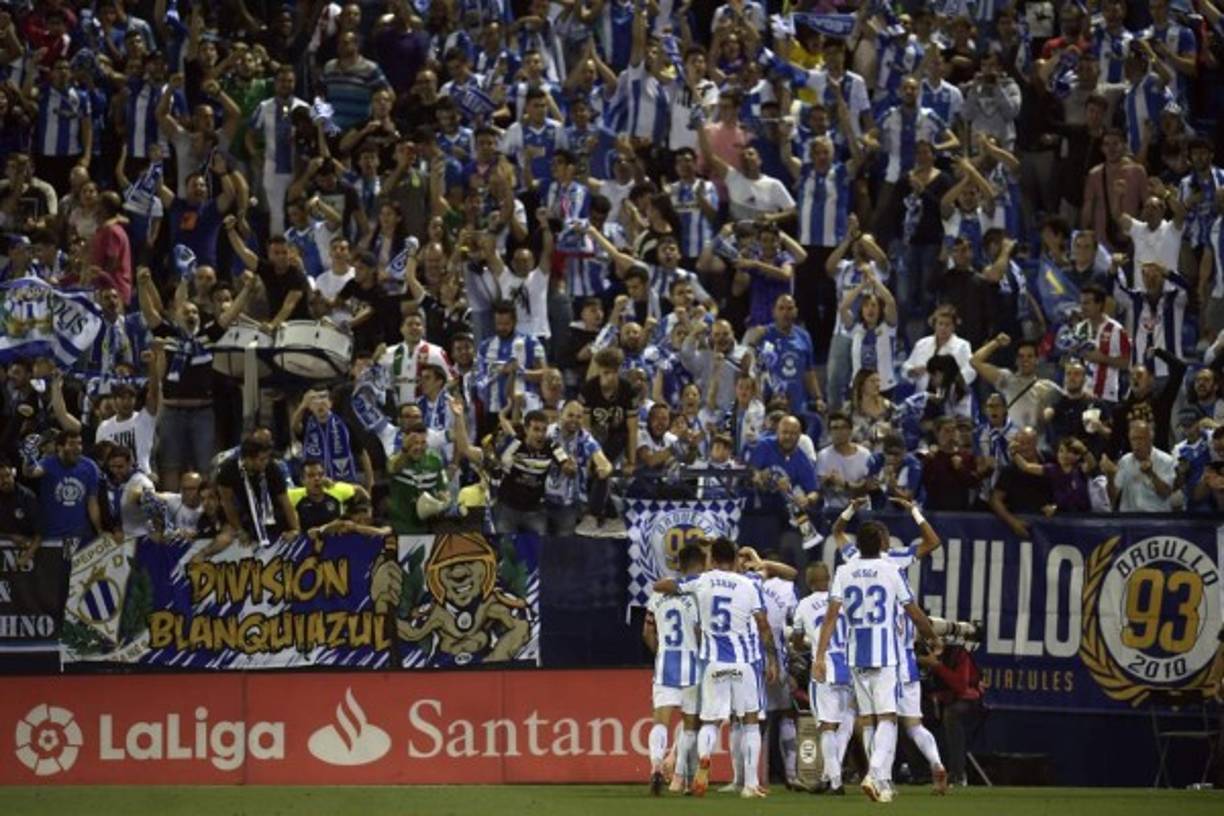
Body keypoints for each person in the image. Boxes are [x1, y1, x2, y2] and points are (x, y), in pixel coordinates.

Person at [814, 515, 937, 804]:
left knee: (868, 720)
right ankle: (875, 774)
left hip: (855, 656)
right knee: (888, 719)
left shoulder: (845, 571)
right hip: (886, 656)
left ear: (859, 545)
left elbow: (830, 618)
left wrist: (819, 656)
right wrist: (932, 637)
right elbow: (914, 612)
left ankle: (881, 783)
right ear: (883, 543)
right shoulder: (891, 569)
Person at [654, 536, 780, 799]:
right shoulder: (750, 583)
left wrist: (682, 586)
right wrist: (772, 659)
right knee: (750, 723)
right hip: (744, 663)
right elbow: (764, 625)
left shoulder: (702, 581)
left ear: (711, 560)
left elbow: (662, 585)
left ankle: (704, 760)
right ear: (734, 560)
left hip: (712, 663)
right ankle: (750, 784)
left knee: (710, 722)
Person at [642, 542, 704, 795]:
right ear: (699, 565)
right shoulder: (698, 592)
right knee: (690, 726)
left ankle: (656, 766)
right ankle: (681, 777)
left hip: (666, 661)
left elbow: (647, 631)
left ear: (679, 564)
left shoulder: (658, 593)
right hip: (693, 664)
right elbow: (700, 632)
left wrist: (659, 652)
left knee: (660, 721)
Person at [792, 561, 853, 795]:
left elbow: (797, 639)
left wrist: (805, 642)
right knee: (845, 722)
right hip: (848, 664)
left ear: (808, 583)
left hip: (824, 665)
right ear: (828, 579)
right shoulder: (844, 601)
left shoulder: (804, 605)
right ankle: (828, 775)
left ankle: (835, 781)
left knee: (826, 726)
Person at [214, 434, 300, 548]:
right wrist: (239, 530)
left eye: (267, 458)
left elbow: (285, 502)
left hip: (274, 517)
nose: (266, 462)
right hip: (247, 517)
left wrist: (295, 530)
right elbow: (227, 504)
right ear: (248, 459)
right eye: (262, 459)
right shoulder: (227, 471)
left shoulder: (272, 468)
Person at [21, 428, 104, 544]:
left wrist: (99, 530)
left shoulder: (89, 466)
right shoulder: (48, 462)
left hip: (81, 536)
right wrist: (28, 458)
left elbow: (92, 502)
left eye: (79, 444)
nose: (77, 448)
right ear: (59, 447)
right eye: (71, 444)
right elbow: (30, 472)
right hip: (52, 537)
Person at [1101, 419, 1178, 511]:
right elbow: (1112, 498)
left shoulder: (1166, 460)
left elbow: (1166, 493)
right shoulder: (1125, 461)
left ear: (1150, 439)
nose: (1136, 443)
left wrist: (1151, 474)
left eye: (1140, 438)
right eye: (1133, 439)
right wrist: (1110, 477)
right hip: (1130, 519)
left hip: (1156, 519)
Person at [288, 458, 370, 532]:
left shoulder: (335, 489)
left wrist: (369, 511)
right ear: (302, 480)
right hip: (308, 542)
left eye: (320, 475)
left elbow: (359, 489)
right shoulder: (293, 495)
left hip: (336, 540)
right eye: (311, 476)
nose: (317, 478)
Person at [0, 457, 39, 567]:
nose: (5, 480)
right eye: (0, 477)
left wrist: (27, 555)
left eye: (7, 476)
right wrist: (10, 537)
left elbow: (40, 533)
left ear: (13, 474)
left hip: (31, 555)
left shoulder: (27, 497)